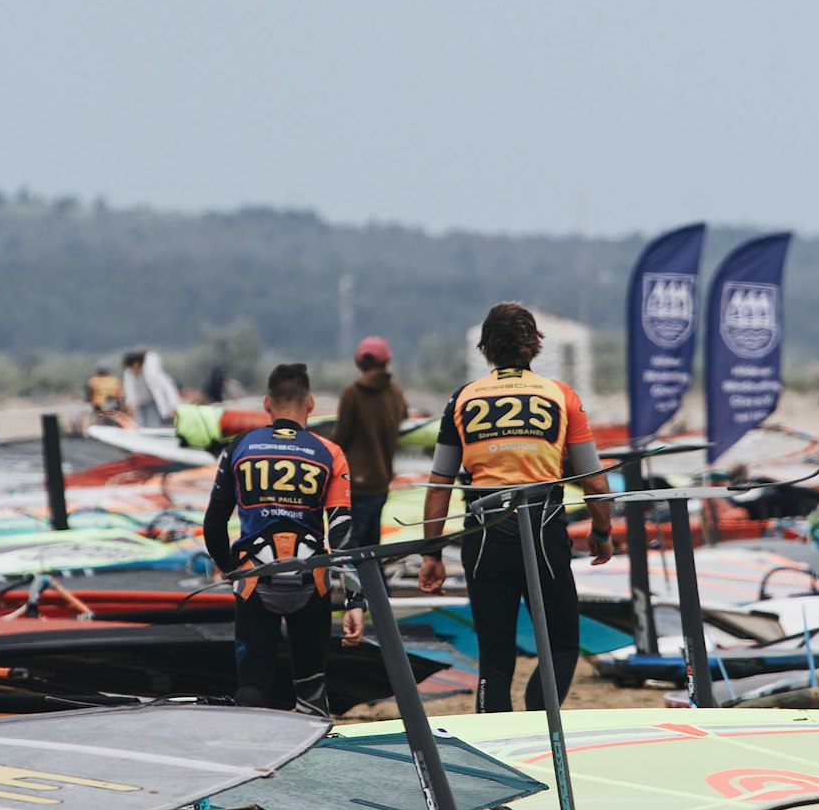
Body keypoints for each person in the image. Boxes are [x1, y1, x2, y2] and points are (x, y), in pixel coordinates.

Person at [417, 301, 613, 713]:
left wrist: (431, 553)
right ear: (533, 346)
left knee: (494, 658)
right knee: (560, 644)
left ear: (485, 348)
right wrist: (601, 532)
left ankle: (494, 750)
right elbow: (594, 480)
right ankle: (540, 721)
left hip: (484, 536)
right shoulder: (561, 397)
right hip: (543, 532)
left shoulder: (462, 399)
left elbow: (440, 483)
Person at [202, 361, 365, 714]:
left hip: (254, 583)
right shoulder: (330, 453)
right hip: (312, 585)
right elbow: (342, 533)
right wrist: (355, 602)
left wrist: (227, 568)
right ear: (309, 404)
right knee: (311, 689)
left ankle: (251, 761)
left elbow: (213, 526)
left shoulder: (238, 448)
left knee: (252, 689)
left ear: (266, 404)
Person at [333, 336, 408, 549]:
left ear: (359, 362)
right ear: (386, 362)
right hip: (382, 482)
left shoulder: (352, 393)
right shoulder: (396, 393)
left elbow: (341, 438)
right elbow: (403, 419)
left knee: (351, 550)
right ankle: (376, 583)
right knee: (372, 549)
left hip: (355, 486)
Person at [122, 349, 181, 427]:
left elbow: (166, 388)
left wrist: (173, 406)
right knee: (139, 426)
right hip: (140, 404)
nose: (131, 370)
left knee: (153, 425)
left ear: (136, 364)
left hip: (153, 403)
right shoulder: (129, 373)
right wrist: (131, 403)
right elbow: (129, 389)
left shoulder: (152, 371)